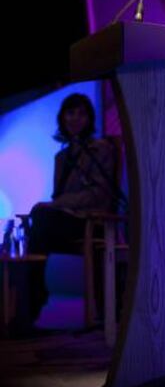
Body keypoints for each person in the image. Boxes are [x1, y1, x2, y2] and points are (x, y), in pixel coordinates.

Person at [26, 93, 118, 327]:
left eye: (81, 113)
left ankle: (32, 301)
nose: (75, 118)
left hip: (91, 221)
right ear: (62, 118)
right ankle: (29, 300)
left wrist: (56, 205)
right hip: (67, 221)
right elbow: (60, 197)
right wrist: (56, 205)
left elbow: (100, 195)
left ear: (89, 118)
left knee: (41, 218)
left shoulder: (101, 150)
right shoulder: (61, 156)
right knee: (35, 225)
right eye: (70, 112)